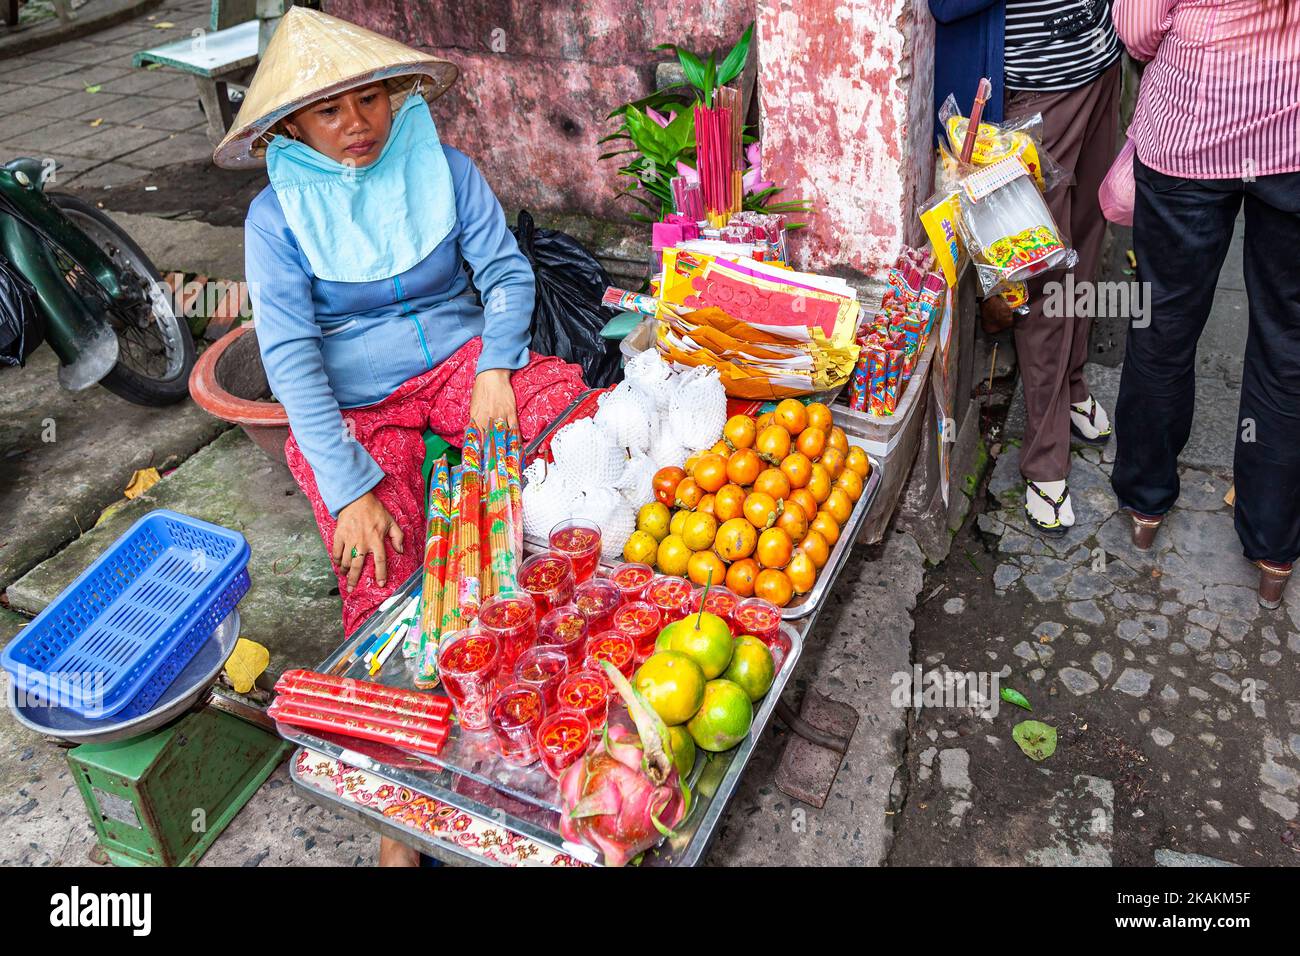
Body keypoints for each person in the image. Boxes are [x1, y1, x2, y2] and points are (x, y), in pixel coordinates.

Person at [213, 9, 588, 866]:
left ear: (397, 97)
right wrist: (348, 486)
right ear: (291, 126)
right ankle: (399, 799)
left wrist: (497, 364)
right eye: (331, 112)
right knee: (380, 563)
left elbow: (501, 271)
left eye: (373, 99)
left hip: (461, 361)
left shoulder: (444, 168)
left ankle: (536, 666)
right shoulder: (277, 218)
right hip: (353, 403)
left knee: (570, 415)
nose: (359, 124)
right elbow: (292, 356)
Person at [1110, 0, 1300, 608]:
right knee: (1287, 346)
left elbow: (1138, 29)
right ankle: (1273, 547)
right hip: (1292, 137)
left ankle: (1146, 502)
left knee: (1163, 326)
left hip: (1191, 127)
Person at [929, 0, 1122, 535]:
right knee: (1043, 271)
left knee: (1086, 241)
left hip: (1098, 65)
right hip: (1032, 91)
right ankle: (1045, 453)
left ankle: (1073, 379)